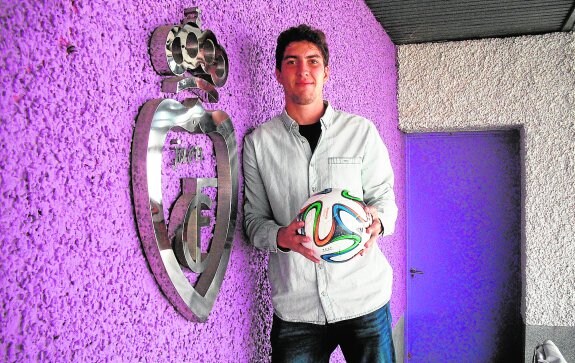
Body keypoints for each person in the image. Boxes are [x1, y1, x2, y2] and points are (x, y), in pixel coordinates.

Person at [243, 24, 398, 363]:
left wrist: (377, 222)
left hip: (363, 299)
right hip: (297, 311)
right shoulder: (259, 143)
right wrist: (282, 237)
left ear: (326, 71)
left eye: (313, 61)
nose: (303, 70)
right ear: (278, 73)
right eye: (292, 62)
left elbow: (385, 199)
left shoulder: (360, 132)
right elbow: (253, 223)